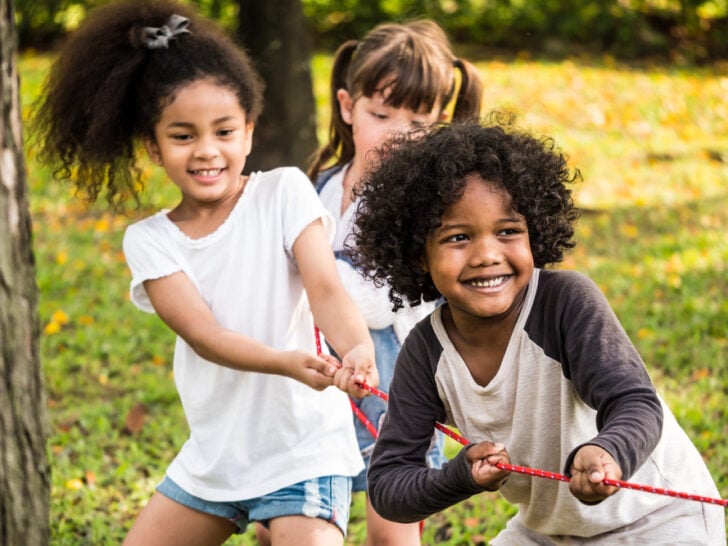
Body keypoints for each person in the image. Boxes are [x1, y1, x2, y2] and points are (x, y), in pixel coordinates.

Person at [32, 1, 379, 545]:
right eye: (183, 135)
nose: (207, 151)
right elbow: (206, 336)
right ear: (153, 145)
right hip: (216, 460)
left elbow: (327, 288)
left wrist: (356, 346)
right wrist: (288, 363)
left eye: (223, 131)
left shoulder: (283, 192)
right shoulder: (150, 240)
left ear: (248, 131)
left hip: (300, 449)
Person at [351, 118, 726, 545]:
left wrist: (608, 452)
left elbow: (635, 402)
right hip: (552, 532)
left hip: (659, 519)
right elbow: (388, 484)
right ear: (418, 255)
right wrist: (459, 476)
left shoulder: (564, 303)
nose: (487, 255)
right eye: (458, 238)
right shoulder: (425, 351)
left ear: (535, 232)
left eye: (508, 231)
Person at [309, 19, 484, 546]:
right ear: (347, 108)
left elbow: (379, 299)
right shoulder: (323, 183)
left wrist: (308, 275)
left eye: (416, 121)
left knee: (392, 526)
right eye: (379, 114)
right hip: (327, 380)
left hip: (397, 380)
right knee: (306, 509)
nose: (395, 134)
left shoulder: (421, 202)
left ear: (439, 123)